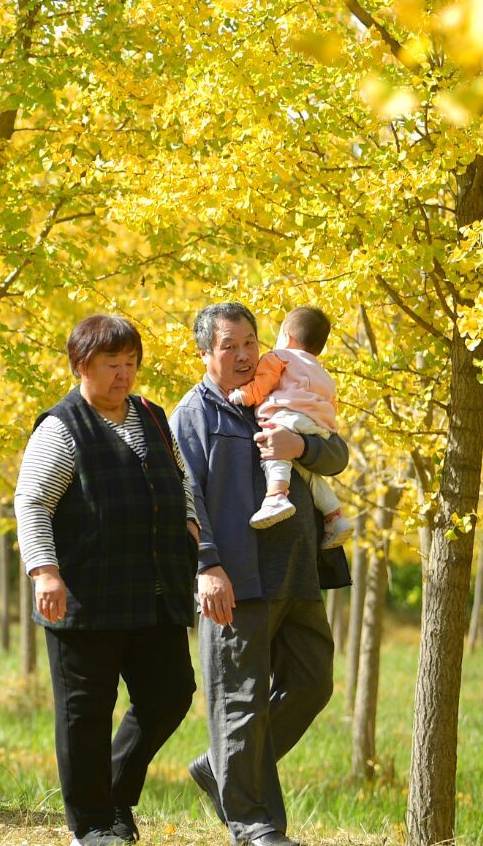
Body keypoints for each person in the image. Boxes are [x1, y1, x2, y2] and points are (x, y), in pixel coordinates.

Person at [15, 314, 199, 846]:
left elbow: (179, 476)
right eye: (111, 364)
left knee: (170, 694)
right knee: (85, 714)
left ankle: (115, 793)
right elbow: (32, 503)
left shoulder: (151, 416)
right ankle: (92, 825)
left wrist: (187, 520)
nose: (124, 375)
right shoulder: (61, 427)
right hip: (84, 595)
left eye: (131, 364)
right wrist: (44, 571)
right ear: (81, 367)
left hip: (155, 592)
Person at [172, 302, 352, 846]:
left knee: (312, 681)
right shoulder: (194, 413)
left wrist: (303, 447)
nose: (247, 355)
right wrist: (207, 566)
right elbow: (185, 498)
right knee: (239, 701)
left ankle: (221, 768)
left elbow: (336, 452)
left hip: (298, 572)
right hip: (236, 580)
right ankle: (255, 826)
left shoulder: (279, 385)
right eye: (231, 347)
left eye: (251, 342)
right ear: (205, 354)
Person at [228, 305, 355, 546]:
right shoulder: (322, 372)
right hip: (319, 426)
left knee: (275, 454)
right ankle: (334, 516)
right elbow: (332, 403)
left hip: (287, 418)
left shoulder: (279, 356)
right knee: (308, 475)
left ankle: (276, 496)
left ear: (287, 337)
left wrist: (243, 396)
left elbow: (264, 383)